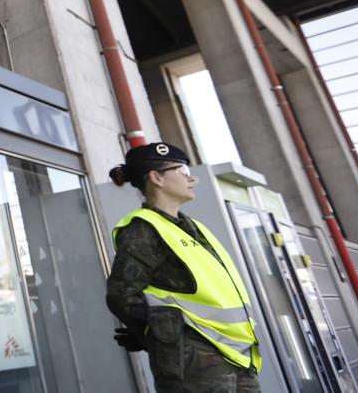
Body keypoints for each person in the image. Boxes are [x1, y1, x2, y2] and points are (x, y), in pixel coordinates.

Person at [106, 142, 261, 392]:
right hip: (194, 363)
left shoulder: (194, 228)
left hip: (237, 357)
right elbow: (121, 295)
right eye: (181, 169)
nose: (191, 178)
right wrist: (160, 335)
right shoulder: (142, 229)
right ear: (156, 178)